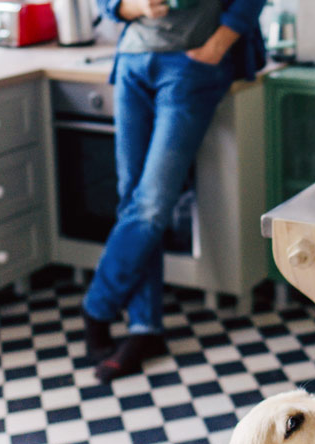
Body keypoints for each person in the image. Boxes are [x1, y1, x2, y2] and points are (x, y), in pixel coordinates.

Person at [85, 0, 265, 383]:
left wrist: (217, 45)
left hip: (190, 65)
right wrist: (132, 6)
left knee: (150, 204)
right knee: (133, 201)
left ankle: (98, 307)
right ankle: (145, 330)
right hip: (132, 62)